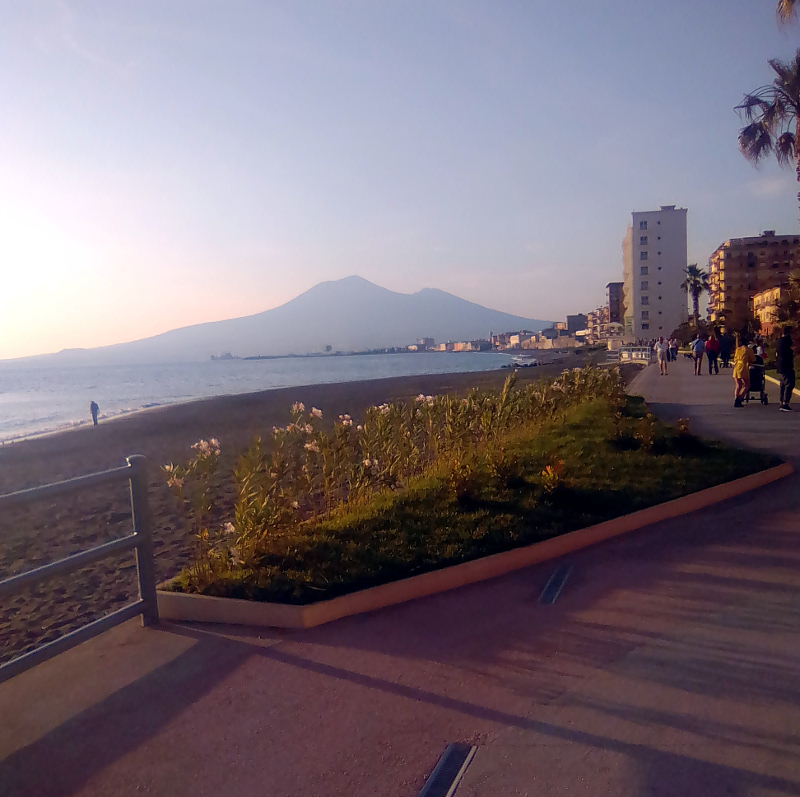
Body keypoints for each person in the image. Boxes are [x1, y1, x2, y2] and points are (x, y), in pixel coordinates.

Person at [732, 334, 755, 408]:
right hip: (743, 367)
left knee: (738, 385)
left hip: (736, 367)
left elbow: (735, 359)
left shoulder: (737, 349)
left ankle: (736, 398)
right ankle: (740, 398)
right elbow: (753, 359)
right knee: (747, 384)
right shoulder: (748, 350)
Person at [776, 326, 796, 412]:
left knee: (783, 383)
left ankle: (782, 401)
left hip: (781, 365)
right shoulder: (787, 341)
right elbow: (789, 351)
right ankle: (785, 403)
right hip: (786, 365)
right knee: (789, 383)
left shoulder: (779, 341)